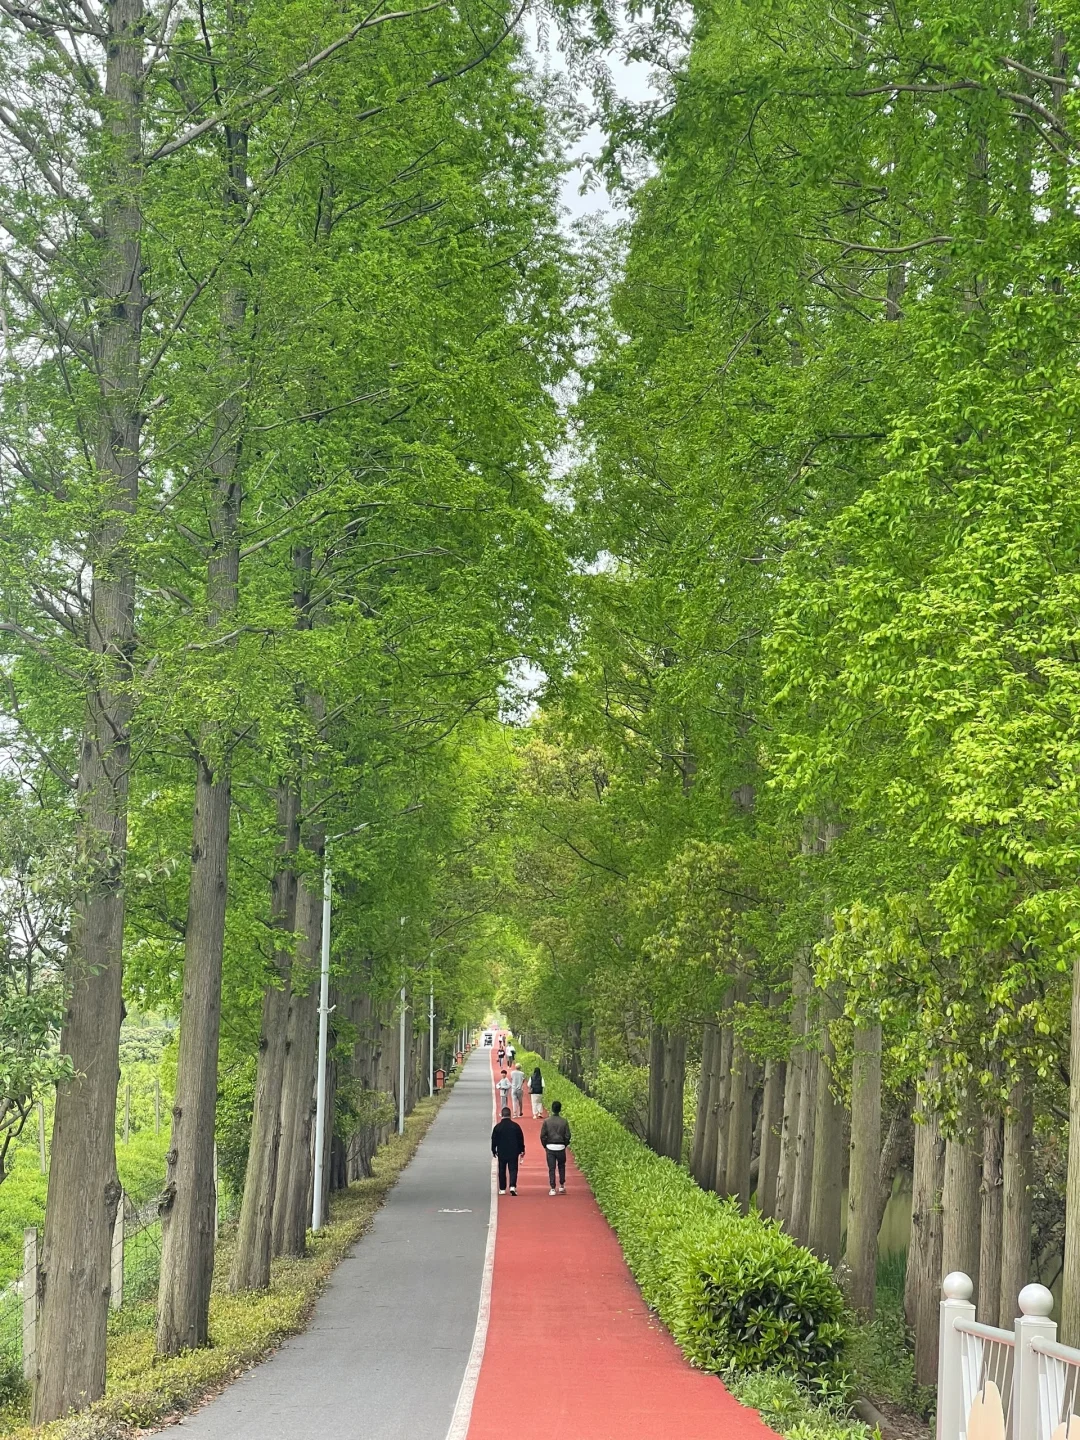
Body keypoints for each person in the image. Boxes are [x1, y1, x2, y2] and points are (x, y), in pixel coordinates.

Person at [491, 1106, 526, 1195]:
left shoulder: (497, 1127)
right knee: (513, 1169)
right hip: (513, 1151)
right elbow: (520, 1139)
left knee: (502, 1169)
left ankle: (502, 1188)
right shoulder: (516, 1126)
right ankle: (512, 1186)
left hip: (502, 1151)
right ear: (510, 1115)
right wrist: (522, 1150)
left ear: (502, 1115)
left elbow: (494, 1140)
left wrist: (493, 1150)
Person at [540, 1100, 571, 1195]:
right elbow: (568, 1135)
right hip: (561, 1146)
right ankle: (562, 1185)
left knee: (551, 1168)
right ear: (560, 1109)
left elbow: (542, 1135)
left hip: (550, 1146)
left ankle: (552, 1188)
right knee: (561, 1166)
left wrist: (545, 1145)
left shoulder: (546, 1121)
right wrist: (565, 1144)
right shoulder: (564, 1121)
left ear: (552, 1109)